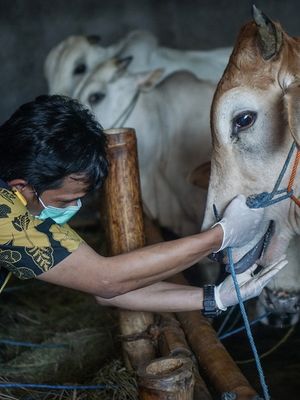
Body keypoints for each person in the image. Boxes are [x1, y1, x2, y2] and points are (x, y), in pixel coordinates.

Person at [0, 95, 287, 316]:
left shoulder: (26, 209)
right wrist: (220, 236)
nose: (74, 207)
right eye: (65, 200)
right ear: (21, 187)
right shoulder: (5, 215)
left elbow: (106, 287)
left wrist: (215, 298)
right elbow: (106, 280)